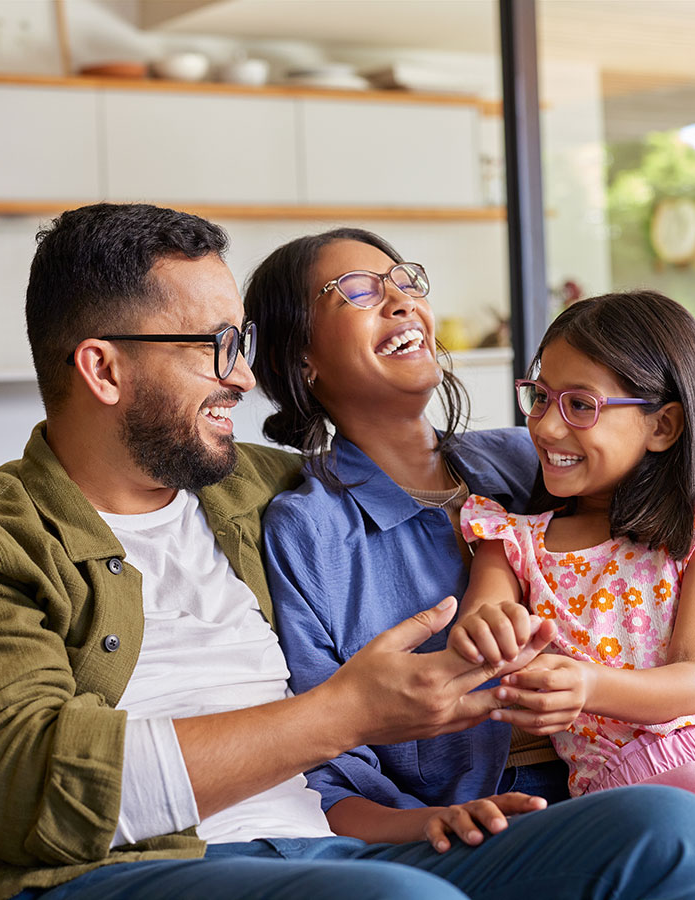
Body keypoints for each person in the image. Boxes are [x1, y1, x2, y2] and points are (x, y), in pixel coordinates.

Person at [0, 205, 695, 900]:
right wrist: (348, 715)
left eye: (239, 343)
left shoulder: (247, 487)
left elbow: (653, 483)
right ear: (104, 369)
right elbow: (27, 783)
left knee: (670, 827)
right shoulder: (22, 536)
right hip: (158, 861)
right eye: (215, 345)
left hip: (342, 846)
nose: (241, 378)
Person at [245, 227, 570, 848]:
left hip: (632, 765)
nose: (400, 301)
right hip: (475, 833)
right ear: (301, 358)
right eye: (359, 292)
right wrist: (422, 824)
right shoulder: (309, 529)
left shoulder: (532, 458)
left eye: (404, 281)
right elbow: (322, 764)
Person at [452, 290, 695, 797]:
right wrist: (491, 631)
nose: (546, 424)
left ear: (663, 425)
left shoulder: (687, 536)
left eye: (580, 405)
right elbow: (482, 618)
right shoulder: (512, 540)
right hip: (615, 794)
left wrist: (590, 686)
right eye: (539, 396)